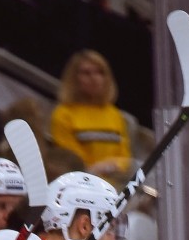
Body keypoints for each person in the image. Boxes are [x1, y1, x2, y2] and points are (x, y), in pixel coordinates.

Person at [49, 50, 132, 178]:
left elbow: (125, 158)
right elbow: (72, 161)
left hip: (115, 186)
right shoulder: (63, 114)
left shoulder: (114, 114)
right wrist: (99, 168)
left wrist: (111, 165)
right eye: (86, 73)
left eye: (100, 72)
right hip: (81, 183)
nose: (94, 78)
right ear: (73, 78)